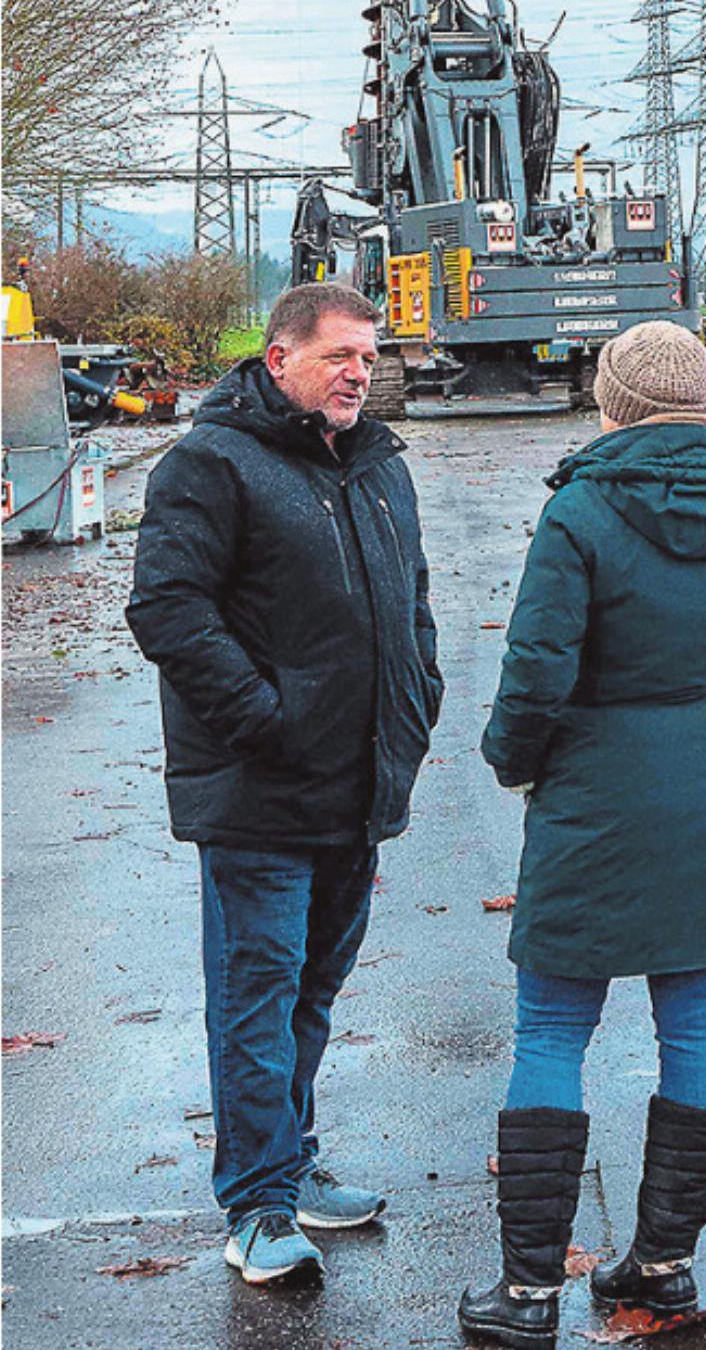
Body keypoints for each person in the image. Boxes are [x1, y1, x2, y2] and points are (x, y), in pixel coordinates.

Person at [458, 319, 706, 1350]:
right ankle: (661, 1266)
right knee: (695, 1027)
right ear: (703, 404)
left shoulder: (579, 513)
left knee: (552, 1030)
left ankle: (526, 1294)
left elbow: (536, 671)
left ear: (612, 402)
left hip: (595, 800)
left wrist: (511, 757)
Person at [125, 283, 441, 1285]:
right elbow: (167, 609)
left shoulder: (378, 468)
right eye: (339, 355)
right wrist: (265, 719)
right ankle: (257, 1206)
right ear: (278, 360)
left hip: (357, 786)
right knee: (257, 994)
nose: (359, 371)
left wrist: (416, 700)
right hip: (261, 791)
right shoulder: (212, 465)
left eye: (368, 354)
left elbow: (414, 605)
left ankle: (290, 1167)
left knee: (312, 989)